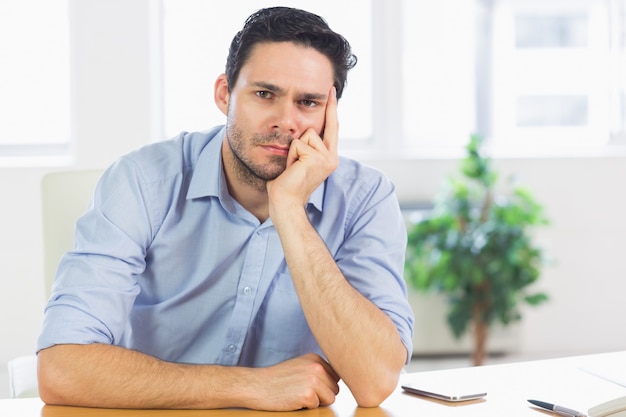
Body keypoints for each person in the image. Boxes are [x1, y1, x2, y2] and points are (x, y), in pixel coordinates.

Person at [37, 6, 414, 411]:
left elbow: (375, 382)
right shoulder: (142, 182)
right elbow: (61, 369)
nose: (285, 121)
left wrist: (288, 209)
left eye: (308, 102)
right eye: (264, 94)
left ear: (330, 116)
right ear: (224, 94)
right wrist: (251, 387)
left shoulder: (365, 199)